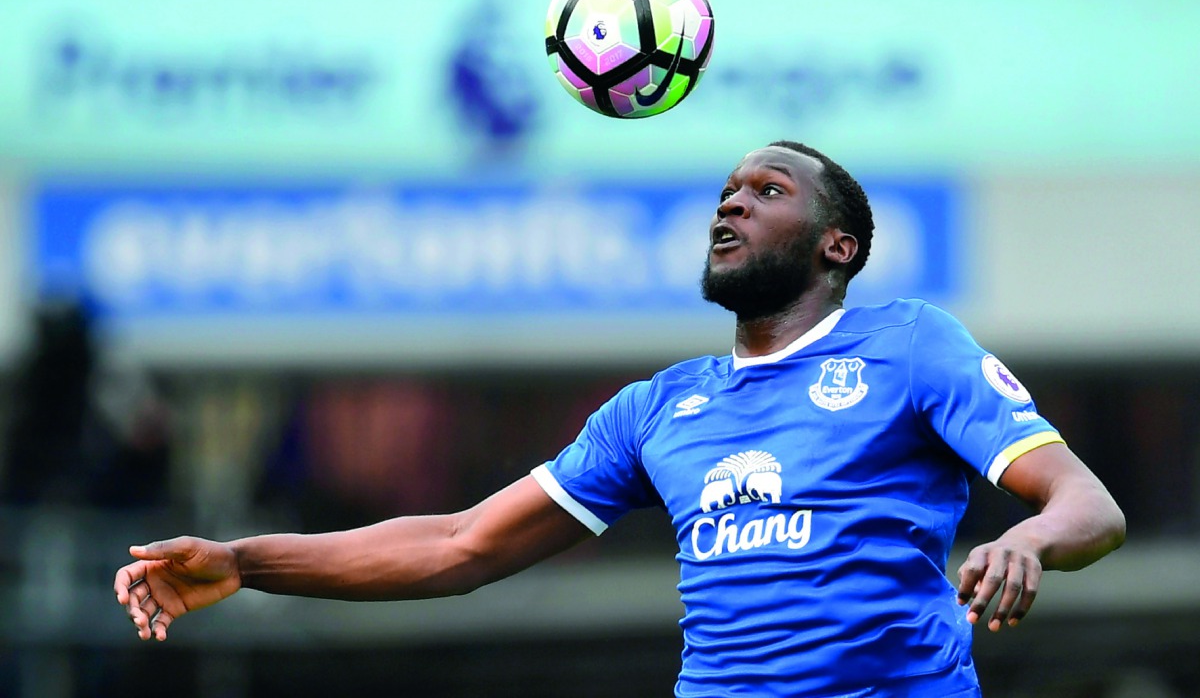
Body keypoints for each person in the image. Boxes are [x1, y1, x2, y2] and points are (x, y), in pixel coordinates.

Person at [115, 141, 1126, 697]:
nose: (730, 206)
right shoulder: (659, 407)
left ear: (839, 246)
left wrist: (1031, 536)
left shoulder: (910, 344)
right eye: (725, 192)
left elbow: (1087, 503)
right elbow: (459, 542)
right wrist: (249, 559)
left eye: (766, 192)